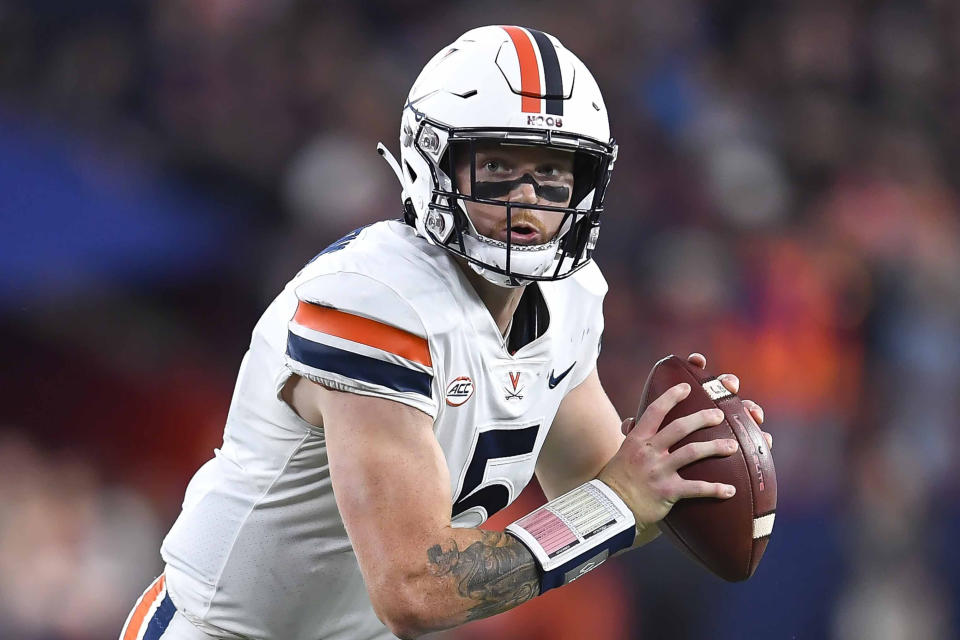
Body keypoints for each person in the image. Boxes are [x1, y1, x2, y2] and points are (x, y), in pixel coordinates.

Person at [120, 25, 771, 640]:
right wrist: (617, 501)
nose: (528, 200)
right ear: (433, 165)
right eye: (497, 169)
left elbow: (599, 486)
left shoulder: (569, 299)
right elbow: (416, 588)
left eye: (551, 173)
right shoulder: (372, 304)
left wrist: (686, 463)